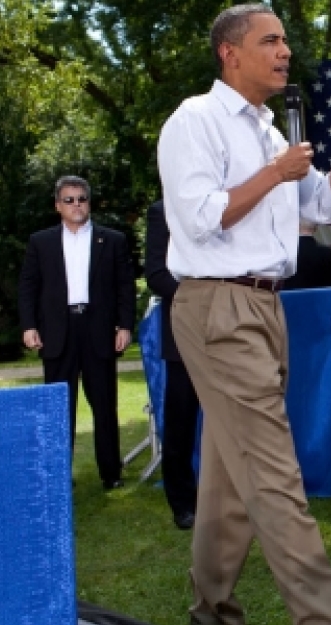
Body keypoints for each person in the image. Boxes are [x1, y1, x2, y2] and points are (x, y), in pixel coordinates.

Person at [156, 4, 331, 625]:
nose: (285, 50)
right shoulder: (193, 122)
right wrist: (275, 174)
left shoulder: (270, 131)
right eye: (270, 40)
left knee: (232, 478)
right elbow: (201, 219)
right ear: (230, 53)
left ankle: (211, 623)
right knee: (275, 474)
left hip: (265, 308)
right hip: (215, 307)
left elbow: (329, 204)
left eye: (285, 40)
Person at [18, 175, 134, 490]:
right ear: (58, 206)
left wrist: (125, 326)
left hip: (98, 329)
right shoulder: (40, 242)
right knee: (57, 406)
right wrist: (29, 326)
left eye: (81, 199)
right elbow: (28, 287)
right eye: (69, 200)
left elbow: (125, 287)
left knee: (105, 404)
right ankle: (56, 475)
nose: (76, 205)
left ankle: (111, 473)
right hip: (58, 331)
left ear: (89, 203)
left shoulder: (112, 240)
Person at [143, 200, 199, 530]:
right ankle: (183, 504)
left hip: (227, 325)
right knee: (181, 419)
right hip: (182, 329)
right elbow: (156, 273)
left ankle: (235, 497)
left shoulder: (228, 201)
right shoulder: (162, 210)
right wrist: (199, 298)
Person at [284, 221, 331, 290]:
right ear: (315, 228)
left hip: (288, 299)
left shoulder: (285, 251)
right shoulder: (327, 252)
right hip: (319, 299)